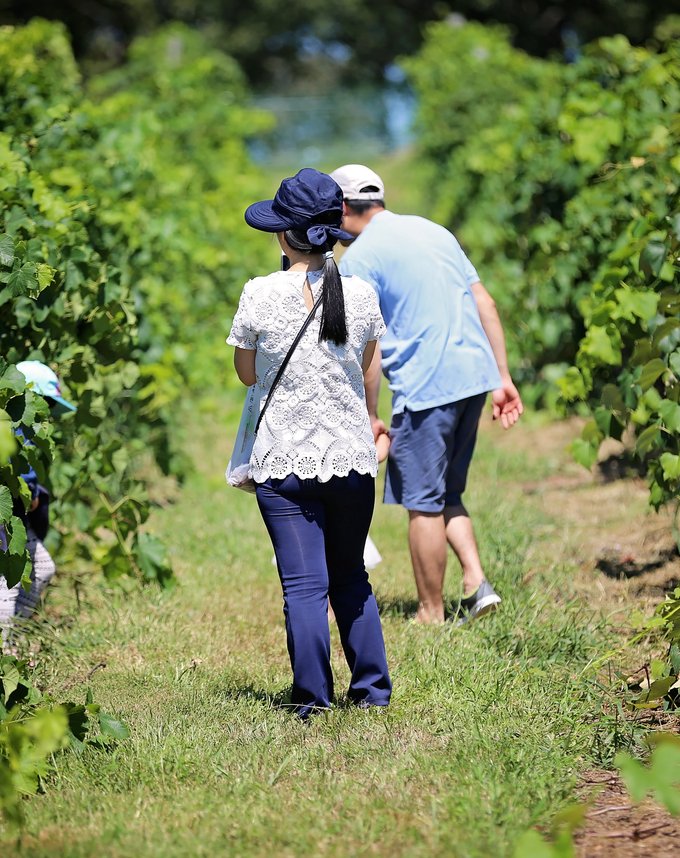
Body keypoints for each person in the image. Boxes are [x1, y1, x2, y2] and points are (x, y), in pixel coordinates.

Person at [227, 168, 392, 718]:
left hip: (282, 459)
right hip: (349, 457)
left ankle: (312, 699)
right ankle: (371, 691)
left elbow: (247, 375)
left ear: (283, 235)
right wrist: (369, 420)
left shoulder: (259, 293)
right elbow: (370, 371)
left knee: (303, 585)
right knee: (350, 575)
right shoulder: (362, 294)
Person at [330, 164, 523, 625]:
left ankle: (430, 613)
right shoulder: (435, 231)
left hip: (427, 386)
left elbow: (369, 349)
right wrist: (503, 377)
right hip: (474, 377)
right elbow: (485, 302)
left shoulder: (358, 260)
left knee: (422, 502)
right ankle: (476, 584)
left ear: (341, 209)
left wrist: (369, 413)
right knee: (446, 490)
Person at [0, 360, 76, 650]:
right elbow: (17, 466)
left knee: (41, 567)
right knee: (9, 582)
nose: (46, 416)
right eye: (43, 404)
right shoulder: (15, 423)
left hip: (16, 520)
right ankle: (5, 651)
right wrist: (30, 491)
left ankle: (13, 639)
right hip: (8, 518)